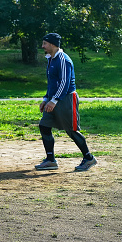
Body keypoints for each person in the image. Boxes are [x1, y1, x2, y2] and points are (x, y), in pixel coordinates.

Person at [35, 33, 97, 171]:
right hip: (53, 99)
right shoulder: (51, 59)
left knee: (72, 130)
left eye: (45, 43)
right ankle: (51, 160)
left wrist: (54, 101)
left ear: (52, 44)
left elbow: (64, 82)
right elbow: (52, 83)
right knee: (44, 126)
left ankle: (89, 158)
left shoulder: (63, 59)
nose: (42, 46)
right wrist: (46, 99)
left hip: (66, 99)